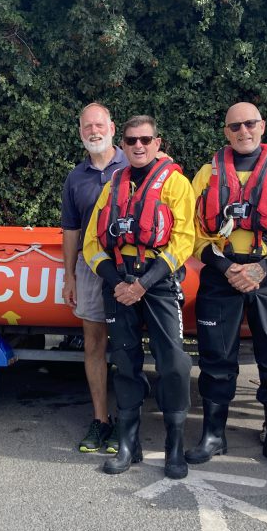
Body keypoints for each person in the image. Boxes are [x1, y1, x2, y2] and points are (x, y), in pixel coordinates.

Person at [187, 102, 267, 472]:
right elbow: (190, 230)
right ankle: (213, 434)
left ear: (262, 126)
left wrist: (265, 266)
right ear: (226, 132)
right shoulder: (206, 174)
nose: (244, 131)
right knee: (215, 356)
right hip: (220, 274)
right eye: (235, 126)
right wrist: (226, 267)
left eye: (250, 124)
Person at [82, 115, 195, 479]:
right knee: (124, 361)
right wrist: (118, 281)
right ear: (124, 144)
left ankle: (174, 447)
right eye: (131, 140)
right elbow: (91, 244)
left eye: (145, 139)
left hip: (159, 283)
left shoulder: (176, 184)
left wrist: (143, 284)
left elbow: (183, 241)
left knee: (174, 363)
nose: (138, 146)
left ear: (158, 143)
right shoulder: (113, 185)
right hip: (119, 283)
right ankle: (129, 445)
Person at [61, 103, 129, 454]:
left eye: (99, 124)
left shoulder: (134, 164)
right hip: (90, 270)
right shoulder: (76, 177)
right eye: (87, 126)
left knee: (128, 347)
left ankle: (127, 422)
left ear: (113, 127)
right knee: (94, 346)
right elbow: (71, 231)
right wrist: (69, 275)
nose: (93, 131)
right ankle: (101, 419)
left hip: (131, 267)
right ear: (80, 132)